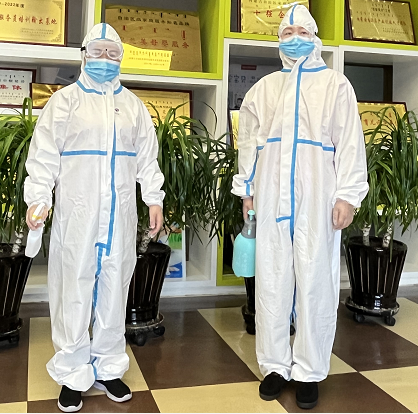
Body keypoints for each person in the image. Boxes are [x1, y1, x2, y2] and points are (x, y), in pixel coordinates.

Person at [232, 5, 368, 410]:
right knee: (271, 283)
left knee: (314, 283)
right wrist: (247, 191)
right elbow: (249, 144)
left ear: (314, 36)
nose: (294, 38)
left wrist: (348, 196)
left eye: (301, 31)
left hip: (318, 199)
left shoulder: (335, 85)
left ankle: (309, 370)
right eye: (287, 32)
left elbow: (350, 144)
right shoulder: (264, 89)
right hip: (271, 197)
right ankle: (275, 366)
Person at [24, 23, 165, 413]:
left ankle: (108, 367)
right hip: (78, 217)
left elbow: (147, 158)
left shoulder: (133, 106)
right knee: (73, 291)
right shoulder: (65, 102)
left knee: (114, 292)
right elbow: (43, 158)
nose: (105, 59)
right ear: (84, 54)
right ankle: (72, 373)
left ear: (121, 58)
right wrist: (38, 199)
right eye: (98, 51)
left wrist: (153, 198)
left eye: (112, 53)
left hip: (120, 218)